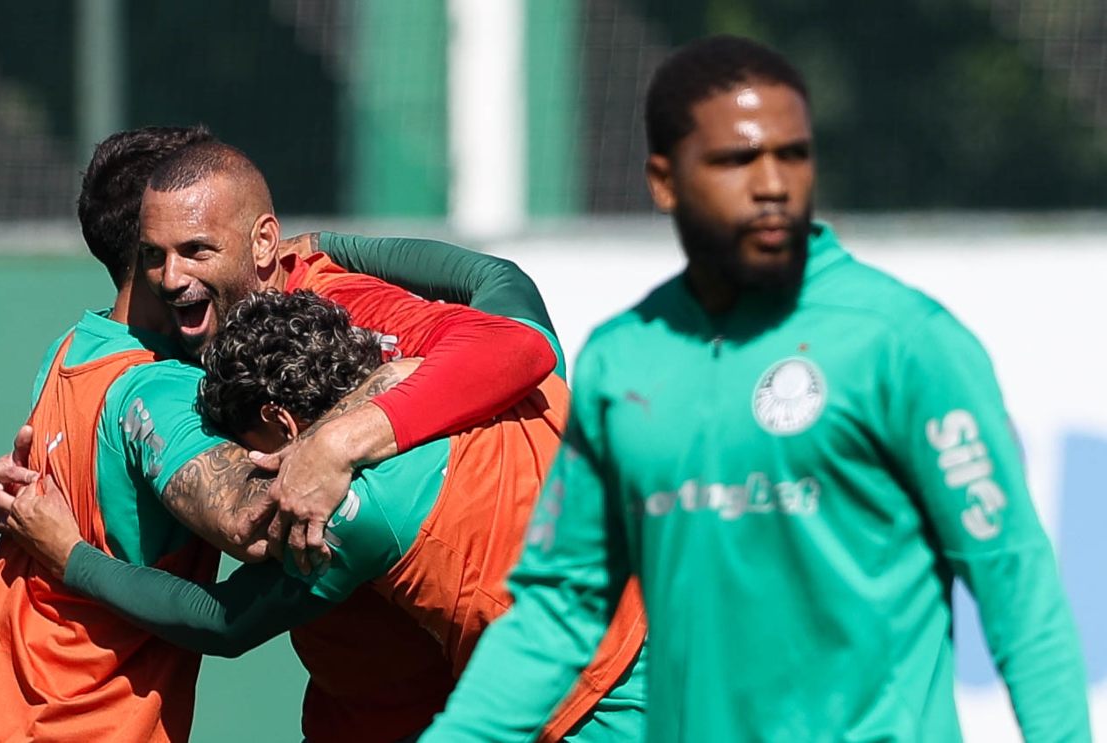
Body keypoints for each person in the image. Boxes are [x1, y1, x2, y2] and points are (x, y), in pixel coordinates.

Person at [420, 34, 1091, 742]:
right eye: (736, 160)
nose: (772, 184)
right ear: (664, 180)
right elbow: (560, 610)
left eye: (793, 155)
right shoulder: (625, 360)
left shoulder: (900, 341)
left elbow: (1017, 587)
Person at [0, 128, 561, 743]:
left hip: (480, 695)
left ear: (257, 238)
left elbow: (520, 330)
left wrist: (348, 435)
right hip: (78, 722)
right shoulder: (163, 381)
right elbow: (251, 534)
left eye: (198, 246)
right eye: (161, 250)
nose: (175, 275)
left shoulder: (80, 349)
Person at [3, 288, 648, 742]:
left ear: (281, 424)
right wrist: (337, 248)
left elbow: (220, 622)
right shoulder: (496, 375)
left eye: (245, 448)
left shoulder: (353, 516)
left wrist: (71, 555)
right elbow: (507, 287)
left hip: (603, 705)